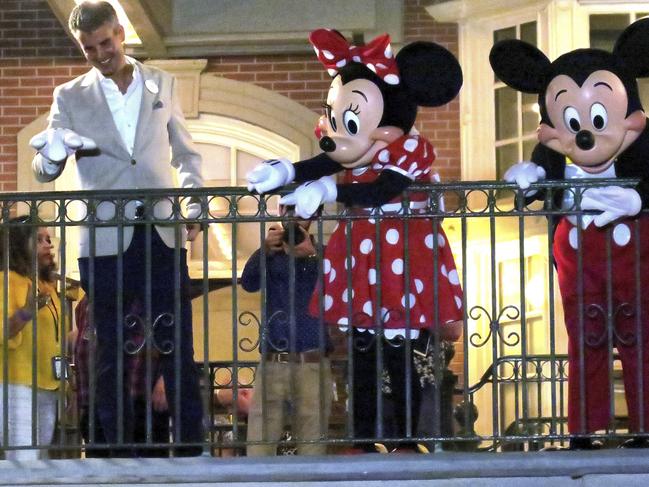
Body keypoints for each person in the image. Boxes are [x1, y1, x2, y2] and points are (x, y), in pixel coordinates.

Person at [30, 1, 204, 454]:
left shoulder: (161, 82)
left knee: (177, 343)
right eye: (89, 49)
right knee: (107, 350)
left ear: (120, 33)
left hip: (162, 230)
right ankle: (113, 452)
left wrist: (195, 206)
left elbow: (185, 154)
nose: (100, 54)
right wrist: (50, 154)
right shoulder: (69, 96)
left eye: (106, 43)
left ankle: (189, 450)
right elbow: (45, 167)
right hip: (104, 238)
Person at [241, 216, 332, 456]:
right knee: (259, 446)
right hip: (273, 361)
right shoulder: (272, 253)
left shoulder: (325, 253)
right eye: (287, 207)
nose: (293, 215)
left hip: (312, 361)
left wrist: (312, 255)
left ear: (314, 216)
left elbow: (342, 283)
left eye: (301, 210)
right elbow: (248, 283)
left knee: (313, 447)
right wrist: (264, 250)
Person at [72, 295, 170, 458]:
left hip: (141, 399)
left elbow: (172, 340)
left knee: (146, 470)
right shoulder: (85, 302)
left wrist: (166, 378)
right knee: (103, 470)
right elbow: (84, 343)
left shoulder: (148, 295)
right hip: (97, 401)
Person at [0, 216, 61, 460]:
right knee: (24, 462)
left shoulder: (46, 286)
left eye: (48, 239)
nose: (48, 245)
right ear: (19, 245)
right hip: (18, 384)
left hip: (48, 385)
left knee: (39, 461)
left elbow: (56, 336)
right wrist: (26, 312)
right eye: (38, 240)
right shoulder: (7, 280)